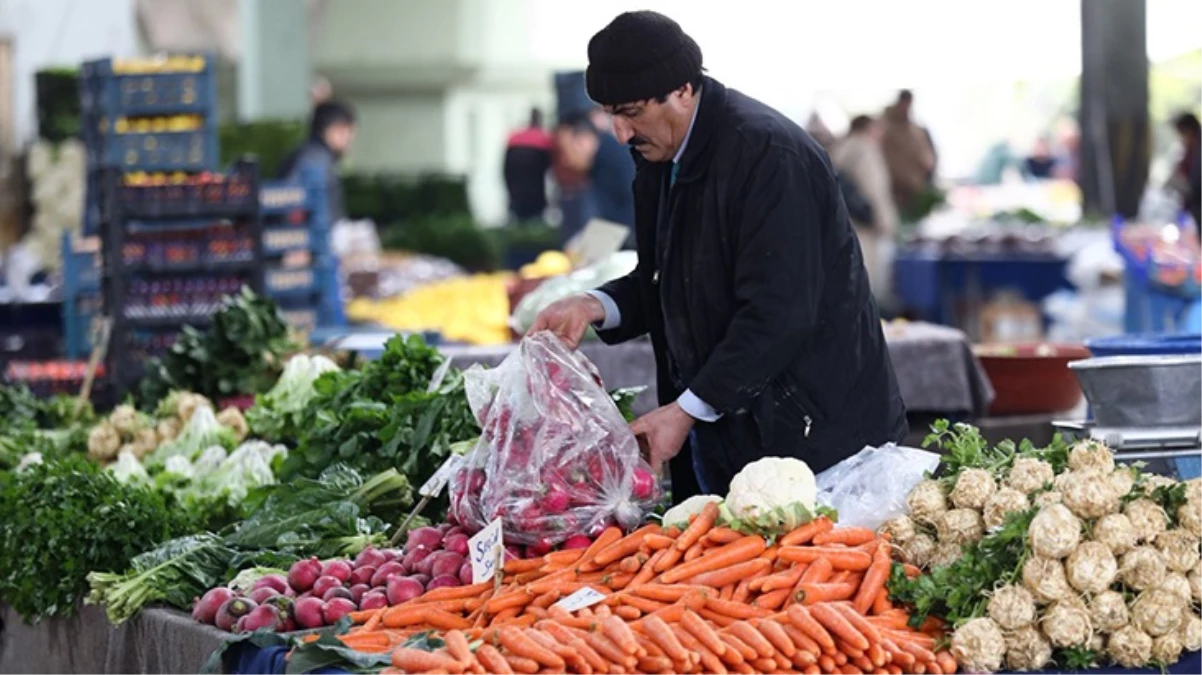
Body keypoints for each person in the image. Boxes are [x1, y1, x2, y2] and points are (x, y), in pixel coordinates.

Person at [530, 11, 908, 503]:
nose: (620, 133)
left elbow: (780, 312)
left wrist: (686, 410)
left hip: (817, 438)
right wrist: (594, 304)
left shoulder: (769, 156)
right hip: (735, 431)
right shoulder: (658, 155)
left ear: (683, 89)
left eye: (631, 112)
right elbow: (669, 277)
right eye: (609, 115)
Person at [831, 115, 899, 304]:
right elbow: (874, 189)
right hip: (866, 226)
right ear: (868, 128)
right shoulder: (865, 151)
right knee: (866, 284)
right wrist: (885, 222)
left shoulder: (839, 149)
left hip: (846, 223)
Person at [277, 100, 357, 224]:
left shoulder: (310, 154)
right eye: (349, 132)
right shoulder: (316, 159)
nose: (350, 139)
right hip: (312, 238)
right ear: (336, 129)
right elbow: (290, 205)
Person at [880, 90, 936, 210]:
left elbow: (926, 157)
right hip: (895, 191)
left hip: (915, 189)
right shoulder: (885, 128)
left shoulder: (916, 129)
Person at [503, 108, 555, 222]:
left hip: (516, 188)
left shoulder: (515, 137)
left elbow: (506, 170)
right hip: (535, 187)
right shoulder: (544, 138)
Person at [1172, 112, 1202, 224]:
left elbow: (1195, 186)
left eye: (1182, 134)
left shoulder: (1198, 151)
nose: (1181, 139)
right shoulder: (1190, 151)